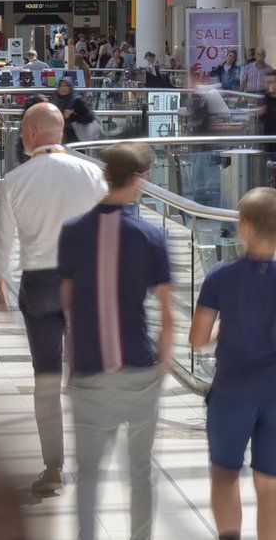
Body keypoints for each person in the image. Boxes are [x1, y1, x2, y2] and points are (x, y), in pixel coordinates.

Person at [58, 143, 173, 540]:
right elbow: (168, 314)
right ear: (139, 176)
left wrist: (71, 364)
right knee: (140, 472)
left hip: (90, 368)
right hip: (139, 367)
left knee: (88, 475)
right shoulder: (151, 235)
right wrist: (164, 363)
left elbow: (68, 307)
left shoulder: (72, 232)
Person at [0, 102, 108, 494]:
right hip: (84, 282)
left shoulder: (13, 180)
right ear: (59, 131)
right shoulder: (92, 174)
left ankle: (53, 465)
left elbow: (4, 243)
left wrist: (1, 285)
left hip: (39, 284)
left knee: (45, 376)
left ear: (29, 133)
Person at [189, 187, 276, 540]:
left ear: (243, 226)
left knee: (224, 475)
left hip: (231, 391)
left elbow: (197, 339)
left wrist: (220, 333)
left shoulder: (220, 277)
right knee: (270, 483)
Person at [51, 78, 96, 143]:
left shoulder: (77, 101)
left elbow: (89, 118)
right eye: (61, 86)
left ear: (70, 87)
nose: (63, 88)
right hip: (59, 136)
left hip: (76, 137)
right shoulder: (55, 101)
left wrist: (72, 116)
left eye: (66, 86)